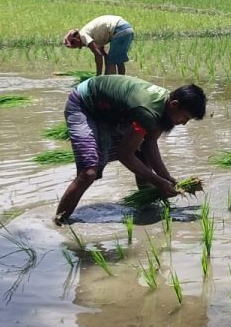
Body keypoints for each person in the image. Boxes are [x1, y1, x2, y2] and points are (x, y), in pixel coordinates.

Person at [54, 75, 206, 225]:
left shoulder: (164, 108)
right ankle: (60, 221)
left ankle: (147, 207)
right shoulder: (148, 111)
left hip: (108, 110)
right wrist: (159, 182)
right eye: (185, 117)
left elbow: (149, 144)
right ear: (174, 105)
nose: (184, 123)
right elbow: (124, 155)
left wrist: (167, 178)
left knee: (142, 155)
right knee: (88, 173)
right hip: (84, 104)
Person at [63, 15, 135, 76]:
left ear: (76, 40)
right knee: (118, 60)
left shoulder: (83, 35)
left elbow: (98, 55)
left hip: (119, 29)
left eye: (76, 46)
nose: (79, 48)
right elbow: (104, 54)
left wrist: (98, 76)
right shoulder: (93, 34)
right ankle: (120, 81)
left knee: (111, 62)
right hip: (127, 29)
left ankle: (110, 84)